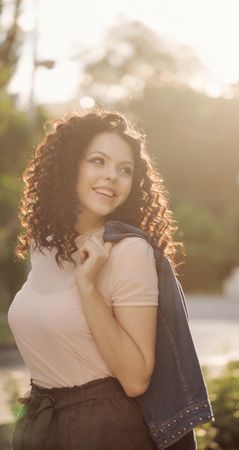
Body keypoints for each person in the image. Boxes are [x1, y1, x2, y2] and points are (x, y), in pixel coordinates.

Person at [7, 108, 187, 450]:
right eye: (98, 161)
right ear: (70, 164)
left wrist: (88, 287)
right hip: (42, 423)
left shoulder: (129, 251)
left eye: (124, 170)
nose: (112, 177)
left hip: (104, 431)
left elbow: (136, 378)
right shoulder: (44, 246)